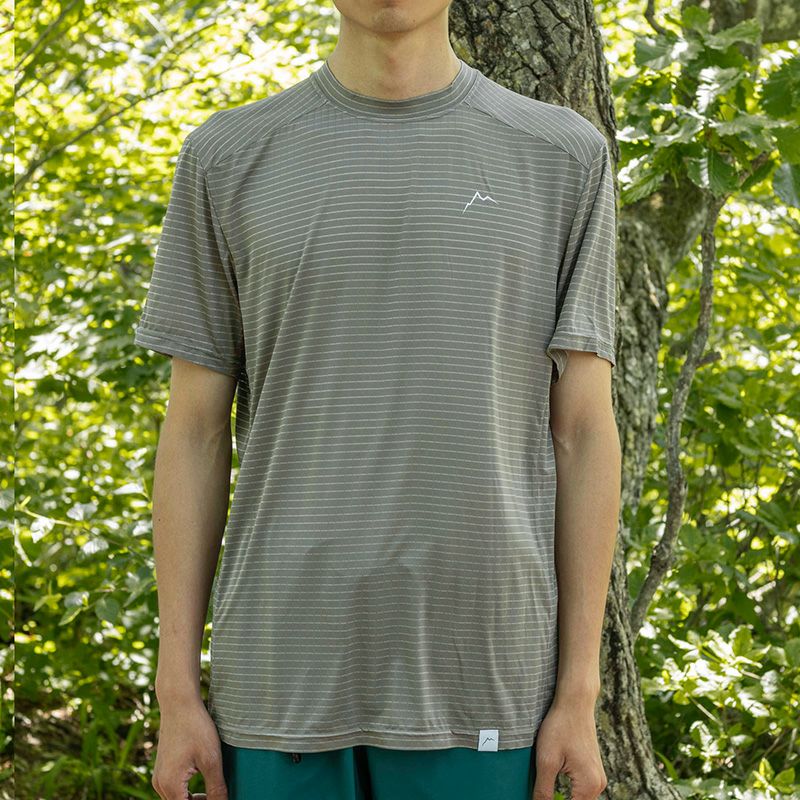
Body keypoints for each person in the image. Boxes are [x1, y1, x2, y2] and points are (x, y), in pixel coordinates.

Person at [136, 1, 621, 798]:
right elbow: (193, 434)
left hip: (486, 676)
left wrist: (579, 691)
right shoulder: (228, 156)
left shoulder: (562, 156)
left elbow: (584, 434)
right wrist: (176, 690)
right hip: (277, 674)